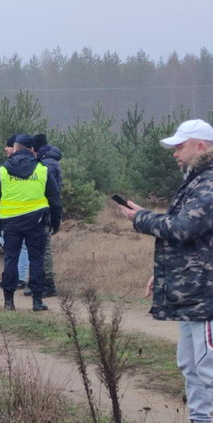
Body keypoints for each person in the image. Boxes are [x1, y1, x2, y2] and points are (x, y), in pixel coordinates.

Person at [119, 119, 213, 423]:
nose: (174, 153)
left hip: (208, 295)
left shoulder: (210, 182)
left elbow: (185, 228)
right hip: (195, 290)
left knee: (208, 366)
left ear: (201, 146)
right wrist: (163, 274)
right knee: (191, 364)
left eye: (179, 146)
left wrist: (141, 218)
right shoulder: (196, 180)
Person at [0, 134, 62, 312]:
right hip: (36, 222)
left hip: (10, 223)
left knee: (10, 259)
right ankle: (37, 301)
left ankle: (8, 302)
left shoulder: (2, 170)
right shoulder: (42, 170)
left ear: (15, 148)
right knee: (36, 259)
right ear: (32, 150)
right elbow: (55, 200)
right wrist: (56, 223)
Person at [23, 132, 63, 298]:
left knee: (44, 249)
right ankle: (36, 283)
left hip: (43, 212)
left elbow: (50, 193)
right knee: (39, 248)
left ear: (35, 148)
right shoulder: (49, 161)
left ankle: (48, 284)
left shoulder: (46, 165)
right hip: (43, 211)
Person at [0, 135, 29, 288]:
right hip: (14, 214)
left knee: (18, 248)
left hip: (14, 216)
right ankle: (14, 277)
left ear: (15, 148)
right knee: (12, 247)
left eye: (8, 146)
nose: (5, 149)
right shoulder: (34, 166)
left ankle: (18, 279)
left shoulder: (6, 169)